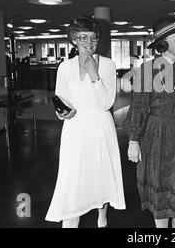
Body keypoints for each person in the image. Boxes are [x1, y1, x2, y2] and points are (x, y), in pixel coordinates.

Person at [45, 16, 125, 228]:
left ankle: (102, 218)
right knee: (73, 174)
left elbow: (106, 103)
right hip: (75, 127)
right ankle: (70, 221)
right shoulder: (65, 67)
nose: (88, 43)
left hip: (100, 124)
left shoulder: (107, 64)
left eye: (93, 38)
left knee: (100, 171)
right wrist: (62, 113)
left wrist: (94, 76)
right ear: (73, 40)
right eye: (83, 37)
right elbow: (60, 97)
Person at [125, 17, 175, 228]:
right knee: (159, 185)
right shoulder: (148, 70)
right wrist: (133, 140)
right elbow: (138, 106)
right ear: (163, 43)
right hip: (157, 134)